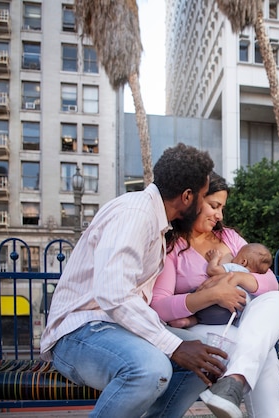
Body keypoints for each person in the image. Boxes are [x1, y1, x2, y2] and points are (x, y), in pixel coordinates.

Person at [40, 143, 227, 418]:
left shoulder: (154, 221)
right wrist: (174, 345)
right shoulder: (135, 214)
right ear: (187, 197)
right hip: (77, 333)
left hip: (113, 328)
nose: (203, 207)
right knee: (151, 370)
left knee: (205, 361)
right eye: (202, 197)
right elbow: (113, 294)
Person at [151, 172, 279, 418]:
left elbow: (269, 281)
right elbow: (159, 306)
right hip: (199, 327)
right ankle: (233, 384)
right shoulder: (171, 245)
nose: (220, 215)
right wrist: (214, 295)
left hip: (242, 320)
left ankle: (232, 383)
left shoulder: (228, 237)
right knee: (264, 354)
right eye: (214, 206)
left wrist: (237, 278)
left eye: (222, 208)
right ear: (192, 200)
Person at [170, 242, 274, 328]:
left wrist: (215, 258)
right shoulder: (252, 282)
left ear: (243, 261)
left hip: (214, 305)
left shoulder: (235, 268)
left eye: (236, 256)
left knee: (194, 292)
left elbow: (212, 270)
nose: (233, 258)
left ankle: (186, 318)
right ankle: (191, 321)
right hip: (230, 316)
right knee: (200, 318)